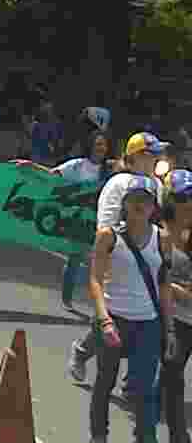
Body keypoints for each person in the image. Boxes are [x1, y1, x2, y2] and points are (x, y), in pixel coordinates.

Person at [68, 131, 167, 382]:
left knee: (145, 314)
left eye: (157, 154)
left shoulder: (156, 184)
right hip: (120, 255)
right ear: (134, 158)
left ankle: (134, 380)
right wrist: (111, 253)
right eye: (149, 154)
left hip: (148, 255)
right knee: (113, 315)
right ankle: (82, 351)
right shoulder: (119, 183)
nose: (155, 159)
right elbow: (107, 223)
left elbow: (160, 221)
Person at [85, 175, 172, 443]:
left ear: (153, 207)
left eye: (146, 201)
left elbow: (164, 285)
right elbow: (95, 280)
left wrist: (168, 329)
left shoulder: (163, 239)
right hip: (114, 318)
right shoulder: (108, 237)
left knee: (144, 390)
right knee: (105, 382)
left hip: (147, 323)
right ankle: (98, 438)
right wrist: (104, 320)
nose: (140, 206)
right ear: (125, 204)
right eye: (134, 200)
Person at [13, 131, 115, 309]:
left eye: (104, 145)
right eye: (98, 144)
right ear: (90, 146)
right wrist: (31, 166)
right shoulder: (77, 166)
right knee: (75, 259)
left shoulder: (112, 168)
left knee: (104, 263)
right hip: (78, 222)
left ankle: (105, 304)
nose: (101, 148)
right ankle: (68, 298)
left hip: (102, 222)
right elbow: (52, 175)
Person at [158, 169, 192, 443]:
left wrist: (178, 289)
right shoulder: (158, 234)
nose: (189, 203)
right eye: (183, 198)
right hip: (172, 321)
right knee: (173, 380)